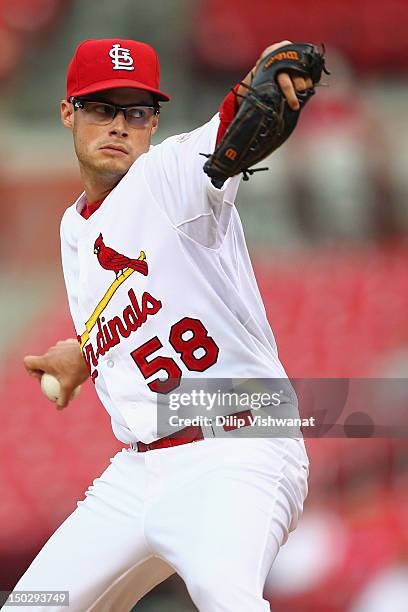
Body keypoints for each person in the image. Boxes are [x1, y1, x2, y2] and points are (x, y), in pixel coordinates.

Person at [13, 38, 314, 611]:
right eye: (103, 107)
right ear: (67, 111)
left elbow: (227, 134)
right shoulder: (72, 229)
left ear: (154, 125)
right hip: (138, 469)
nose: (120, 125)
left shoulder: (171, 174)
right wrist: (80, 352)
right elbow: (122, 310)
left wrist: (278, 66)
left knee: (228, 600)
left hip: (238, 449)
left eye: (137, 112)